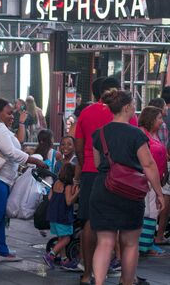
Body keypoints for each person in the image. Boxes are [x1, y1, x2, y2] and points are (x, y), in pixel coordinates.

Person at [90, 89, 165, 285]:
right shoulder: (136, 134)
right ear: (126, 108)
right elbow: (148, 164)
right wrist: (159, 192)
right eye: (132, 105)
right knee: (130, 243)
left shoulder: (99, 134)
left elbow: (98, 164)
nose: (134, 109)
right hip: (130, 193)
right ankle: (127, 282)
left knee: (104, 242)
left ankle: (98, 282)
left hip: (103, 190)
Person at [74, 76, 137, 284]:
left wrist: (84, 167)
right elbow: (136, 144)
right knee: (124, 226)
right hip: (123, 175)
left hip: (93, 172)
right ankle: (127, 276)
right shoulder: (127, 114)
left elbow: (79, 142)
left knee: (90, 222)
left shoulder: (86, 112)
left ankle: (87, 274)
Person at [0, 99, 48, 263]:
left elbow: (14, 146)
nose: (12, 116)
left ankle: (2, 249)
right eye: (9, 113)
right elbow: (10, 152)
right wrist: (33, 160)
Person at [136, 106, 167, 257]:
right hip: (145, 179)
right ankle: (142, 246)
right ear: (151, 119)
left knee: (153, 212)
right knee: (147, 212)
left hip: (156, 179)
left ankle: (146, 244)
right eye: (159, 118)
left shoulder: (154, 135)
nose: (162, 121)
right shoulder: (142, 133)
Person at [43, 163, 80, 269]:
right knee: (67, 239)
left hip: (53, 215)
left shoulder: (56, 183)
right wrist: (76, 193)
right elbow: (68, 202)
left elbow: (50, 198)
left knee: (61, 238)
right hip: (63, 216)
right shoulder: (67, 186)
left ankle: (64, 259)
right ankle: (51, 255)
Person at [155, 90, 170, 245]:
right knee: (164, 198)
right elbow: (165, 146)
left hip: (157, 163)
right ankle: (158, 236)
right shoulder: (163, 122)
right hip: (164, 164)